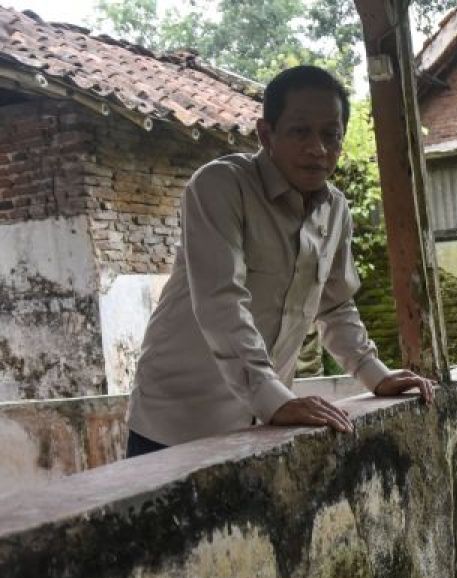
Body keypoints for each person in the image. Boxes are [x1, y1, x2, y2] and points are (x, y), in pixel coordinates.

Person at [125, 65, 435, 457]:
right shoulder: (220, 186)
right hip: (175, 422)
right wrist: (275, 399)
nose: (318, 148)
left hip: (262, 423)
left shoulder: (335, 208)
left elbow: (335, 305)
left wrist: (376, 375)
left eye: (330, 134)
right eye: (300, 131)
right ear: (266, 134)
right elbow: (221, 300)